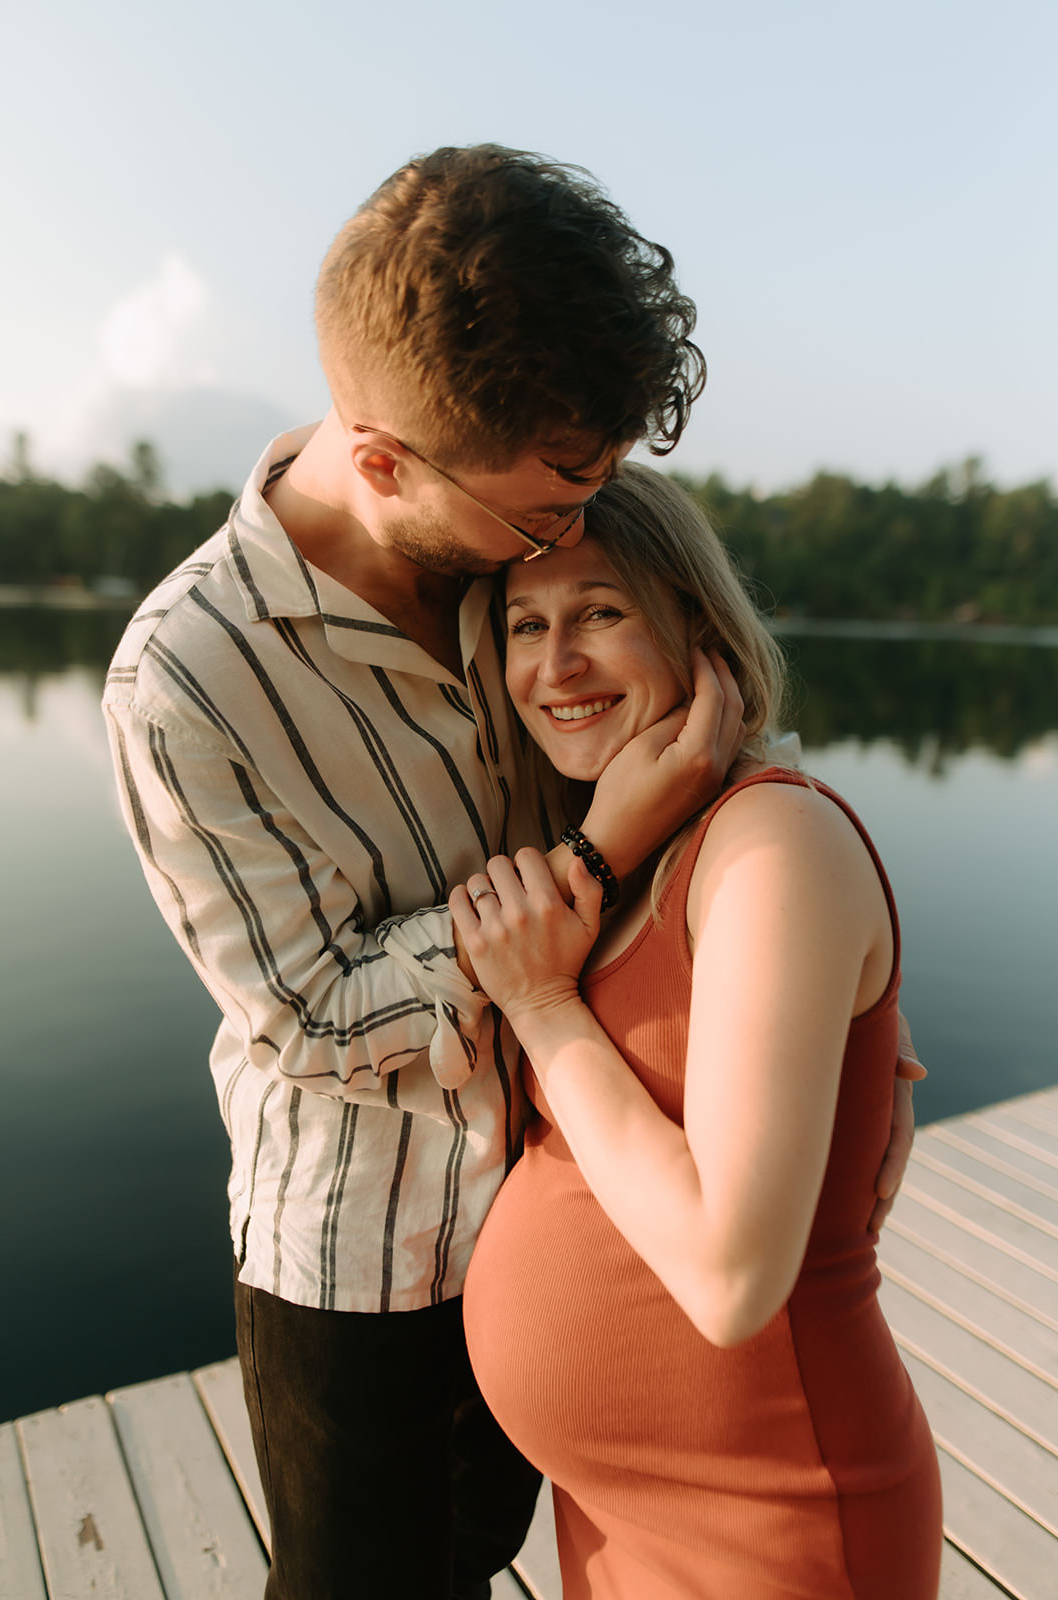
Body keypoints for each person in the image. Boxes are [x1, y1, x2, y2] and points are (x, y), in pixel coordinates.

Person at [102, 146, 918, 1599]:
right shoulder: (186, 686)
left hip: (578, 1252)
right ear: (380, 465)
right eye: (541, 520)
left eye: (592, 499)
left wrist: (856, 1041)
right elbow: (309, 1019)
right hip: (366, 1270)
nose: (563, 539)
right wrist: (592, 865)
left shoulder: (503, 535)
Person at [453, 464, 942, 1600]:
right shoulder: (619, 852)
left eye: (601, 613)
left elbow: (731, 1274)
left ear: (700, 630)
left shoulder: (772, 842)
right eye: (527, 624)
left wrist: (539, 1005)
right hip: (620, 1511)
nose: (555, 664)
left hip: (775, 1521)